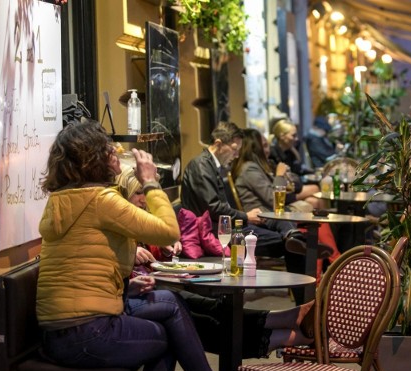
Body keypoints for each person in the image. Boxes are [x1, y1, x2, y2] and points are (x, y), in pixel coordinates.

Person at [36, 121, 270, 371]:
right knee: (167, 335)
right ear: (93, 158)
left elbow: (81, 267)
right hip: (85, 334)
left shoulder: (60, 200)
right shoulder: (101, 201)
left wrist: (126, 286)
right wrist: (150, 182)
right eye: (109, 150)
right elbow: (167, 230)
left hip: (60, 331)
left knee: (168, 300)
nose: (116, 156)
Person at [115, 168, 316, 358]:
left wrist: (166, 247)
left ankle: (286, 318)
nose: (144, 199)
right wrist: (131, 252)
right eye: (139, 192)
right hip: (132, 299)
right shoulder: (116, 222)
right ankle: (288, 334)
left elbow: (153, 258)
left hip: (150, 289)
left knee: (209, 306)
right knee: (196, 316)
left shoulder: (140, 218)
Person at [181, 121, 298, 262]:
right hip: (213, 231)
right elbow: (213, 208)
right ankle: (303, 282)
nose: (237, 155)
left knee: (291, 237)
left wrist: (244, 217)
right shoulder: (201, 166)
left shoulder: (210, 165)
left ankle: (297, 248)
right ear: (218, 144)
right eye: (234, 149)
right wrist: (245, 216)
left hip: (222, 226)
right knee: (289, 244)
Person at [230, 128, 339, 265]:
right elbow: (273, 199)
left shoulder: (261, 166)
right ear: (254, 148)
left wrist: (284, 177)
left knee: (313, 217)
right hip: (264, 215)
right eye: (264, 145)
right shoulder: (250, 169)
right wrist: (279, 176)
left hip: (273, 213)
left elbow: (295, 184)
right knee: (309, 216)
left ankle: (325, 256)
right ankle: (330, 258)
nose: (268, 149)